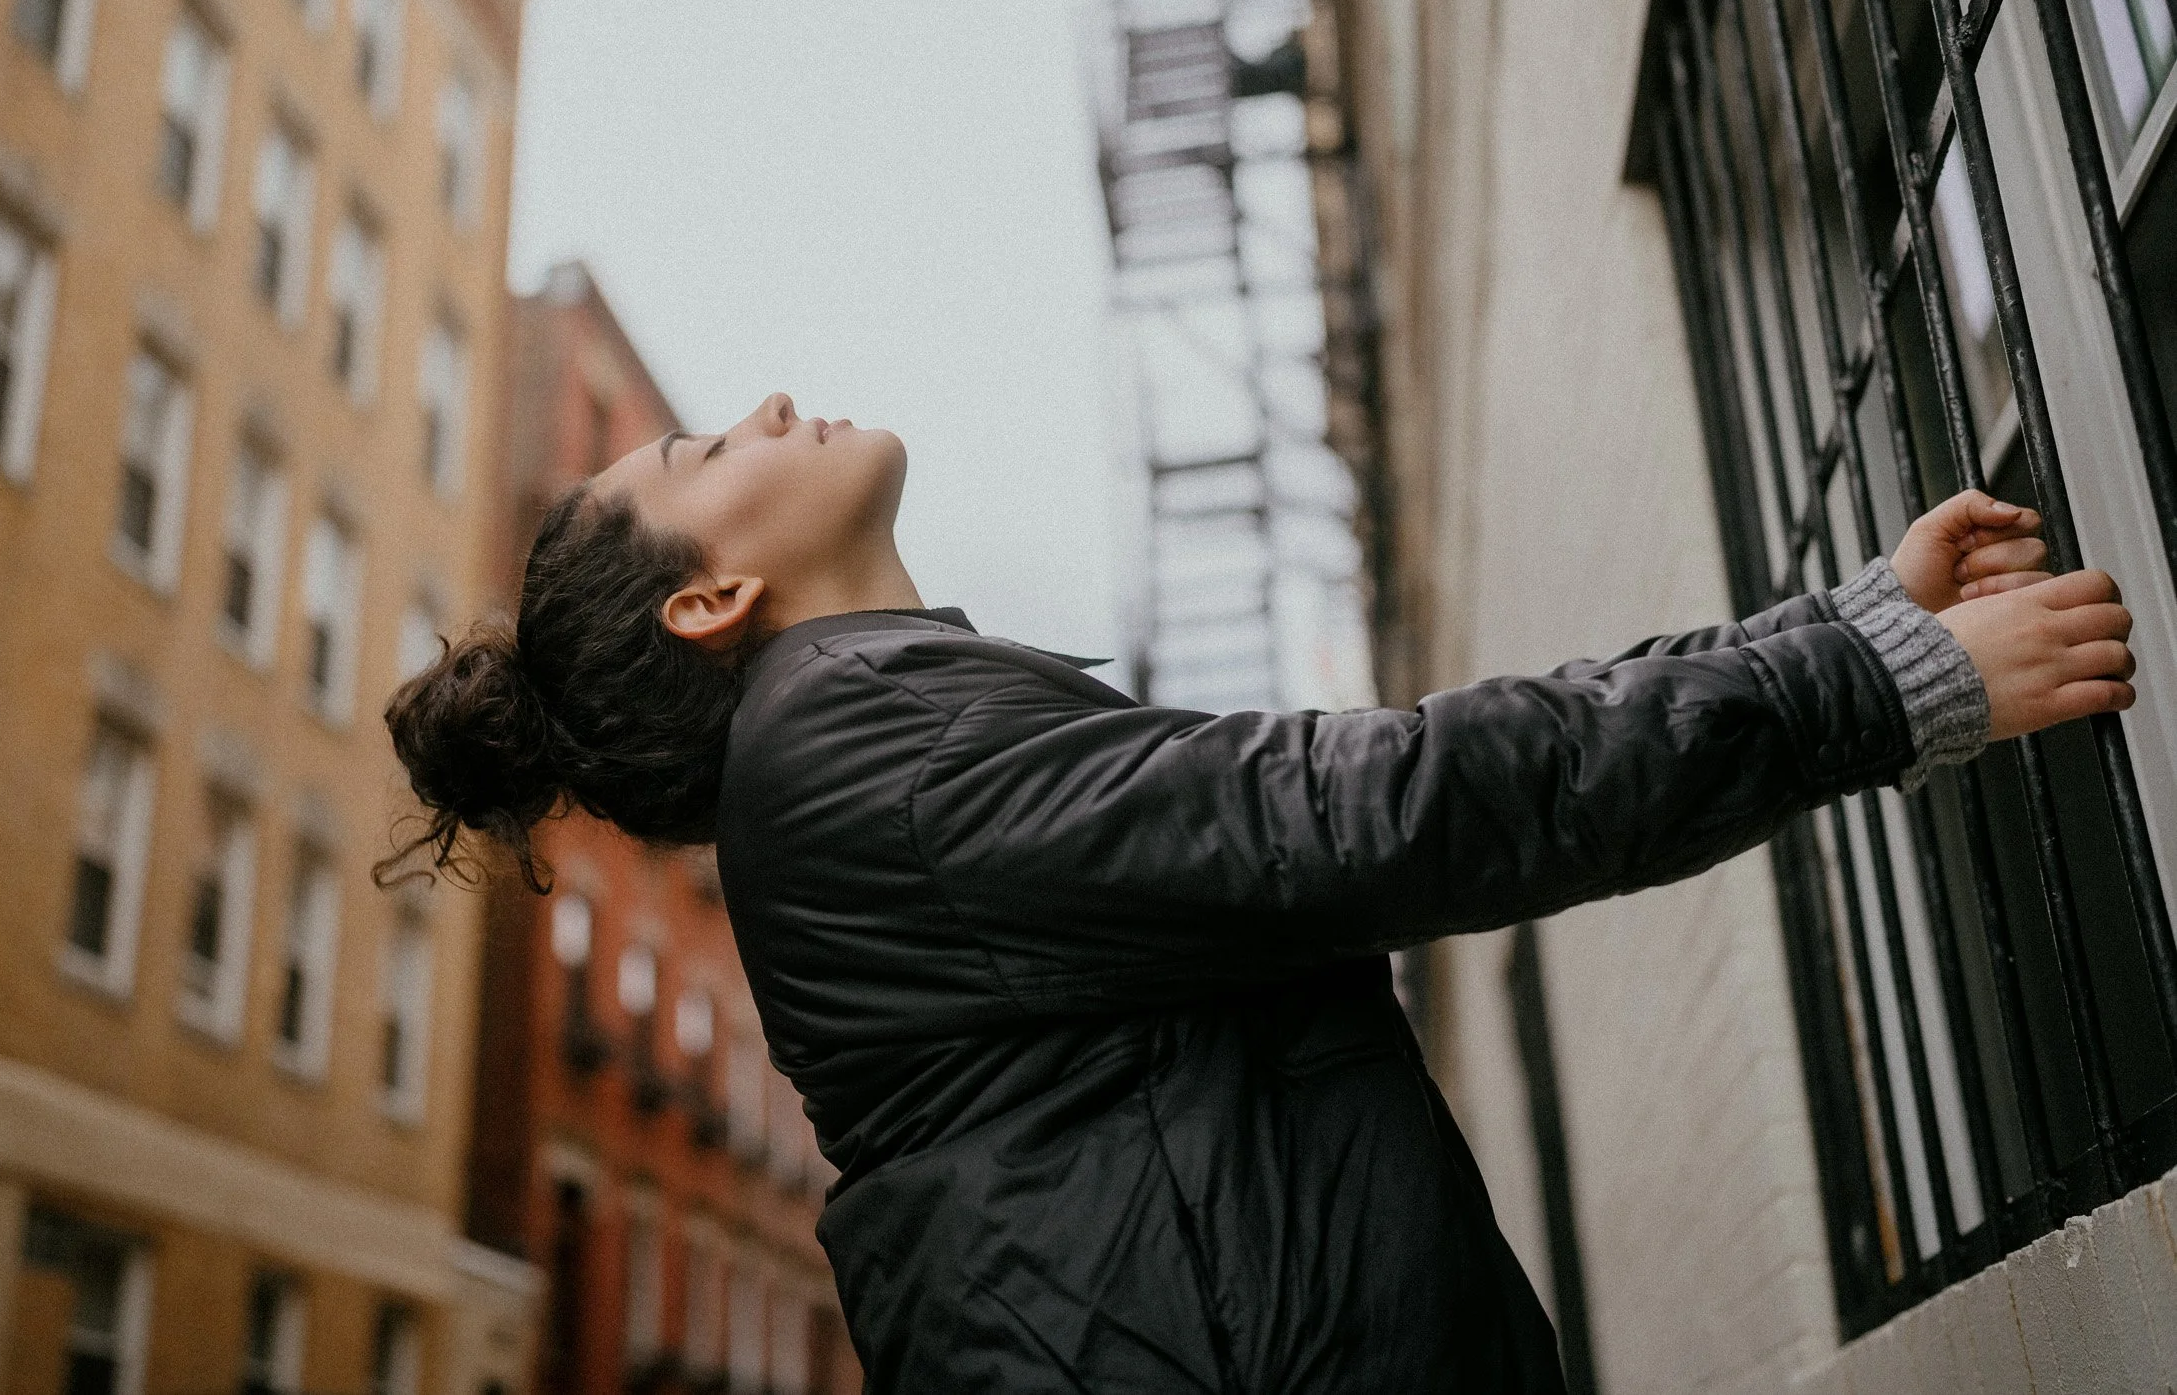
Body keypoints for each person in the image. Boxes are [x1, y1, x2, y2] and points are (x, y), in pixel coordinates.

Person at [387, 391, 2137, 1393]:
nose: (761, 406)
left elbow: (1344, 800)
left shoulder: (868, 744)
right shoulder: (861, 751)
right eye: (701, 447)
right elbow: (1374, 804)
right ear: (714, 599)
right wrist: (1867, 683)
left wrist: (1839, 629)